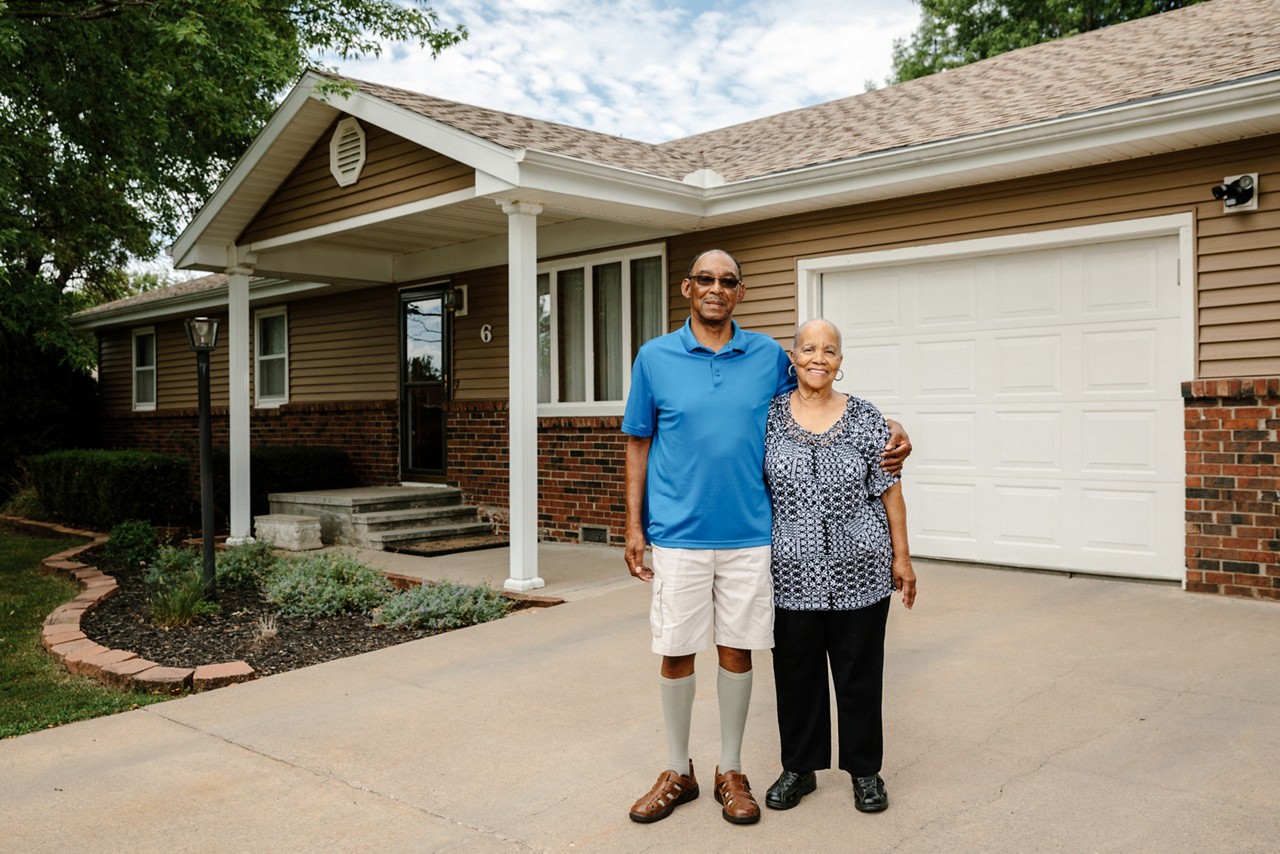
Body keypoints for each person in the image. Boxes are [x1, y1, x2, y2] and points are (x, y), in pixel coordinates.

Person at [622, 251, 911, 825]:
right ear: (687, 288)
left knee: (738, 650)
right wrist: (634, 526)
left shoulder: (765, 357)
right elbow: (638, 441)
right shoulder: (654, 358)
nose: (715, 288)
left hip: (753, 536)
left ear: (741, 293)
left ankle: (731, 769)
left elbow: (822, 388)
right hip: (678, 534)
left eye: (727, 281)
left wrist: (893, 426)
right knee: (677, 651)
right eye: (705, 279)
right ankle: (679, 770)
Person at [760, 318, 917, 816]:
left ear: (841, 361)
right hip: (791, 572)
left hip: (862, 569)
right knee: (796, 672)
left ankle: (866, 772)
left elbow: (890, 490)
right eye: (809, 348)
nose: (818, 358)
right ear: (793, 356)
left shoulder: (869, 419)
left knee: (859, 673)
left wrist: (903, 556)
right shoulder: (767, 418)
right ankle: (799, 769)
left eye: (829, 350)